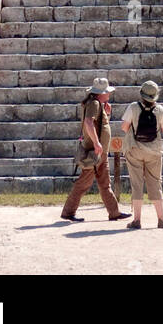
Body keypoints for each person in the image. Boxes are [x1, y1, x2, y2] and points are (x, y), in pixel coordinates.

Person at [60, 76, 130, 224]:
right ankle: (68, 212)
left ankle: (114, 212)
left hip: (99, 152)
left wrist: (107, 114)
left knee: (105, 183)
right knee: (84, 183)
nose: (109, 94)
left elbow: (100, 125)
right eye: (107, 92)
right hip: (95, 151)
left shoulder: (97, 103)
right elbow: (88, 123)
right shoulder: (94, 104)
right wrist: (97, 143)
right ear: (101, 93)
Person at [121, 80, 163, 229]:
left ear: (141, 95)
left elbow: (124, 127)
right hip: (154, 151)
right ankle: (161, 219)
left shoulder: (133, 107)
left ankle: (137, 220)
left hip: (134, 149)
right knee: (155, 183)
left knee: (137, 185)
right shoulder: (160, 110)